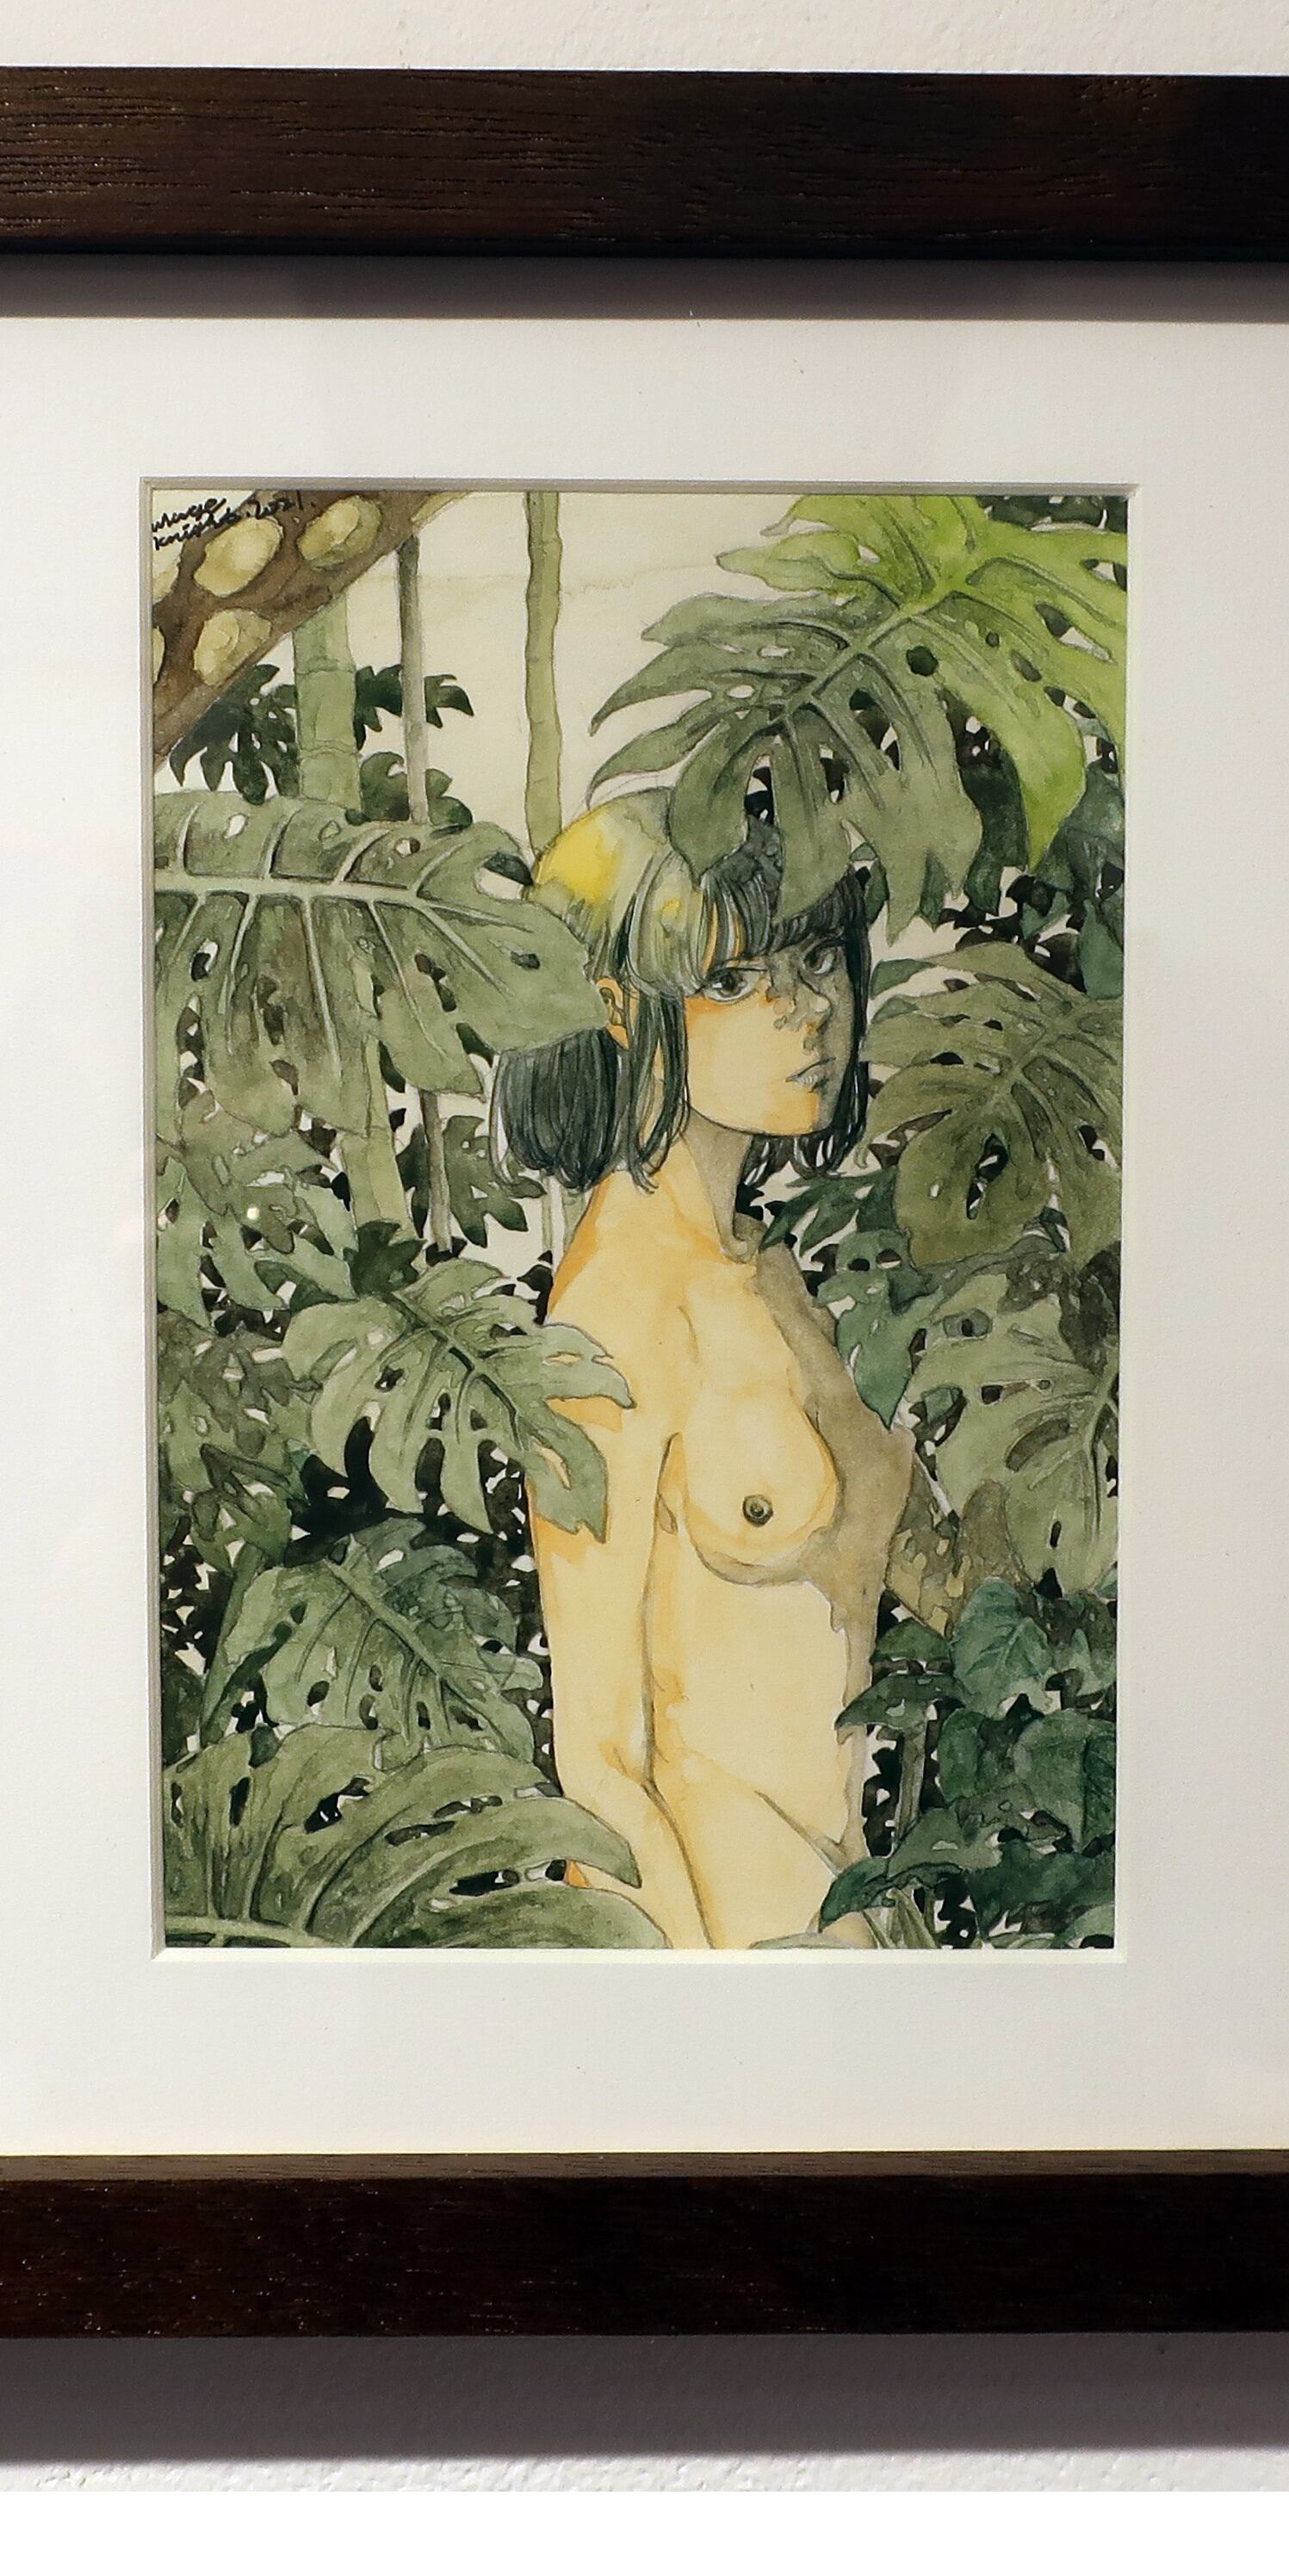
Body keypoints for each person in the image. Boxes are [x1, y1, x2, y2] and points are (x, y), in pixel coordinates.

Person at [494, 794, 964, 1949]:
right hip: (725, 1945)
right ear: (620, 1006)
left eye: (818, 959)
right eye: (736, 979)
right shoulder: (615, 1309)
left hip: (857, 1922)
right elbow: (602, 1770)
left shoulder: (778, 1281)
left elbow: (951, 1589)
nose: (807, 1011)